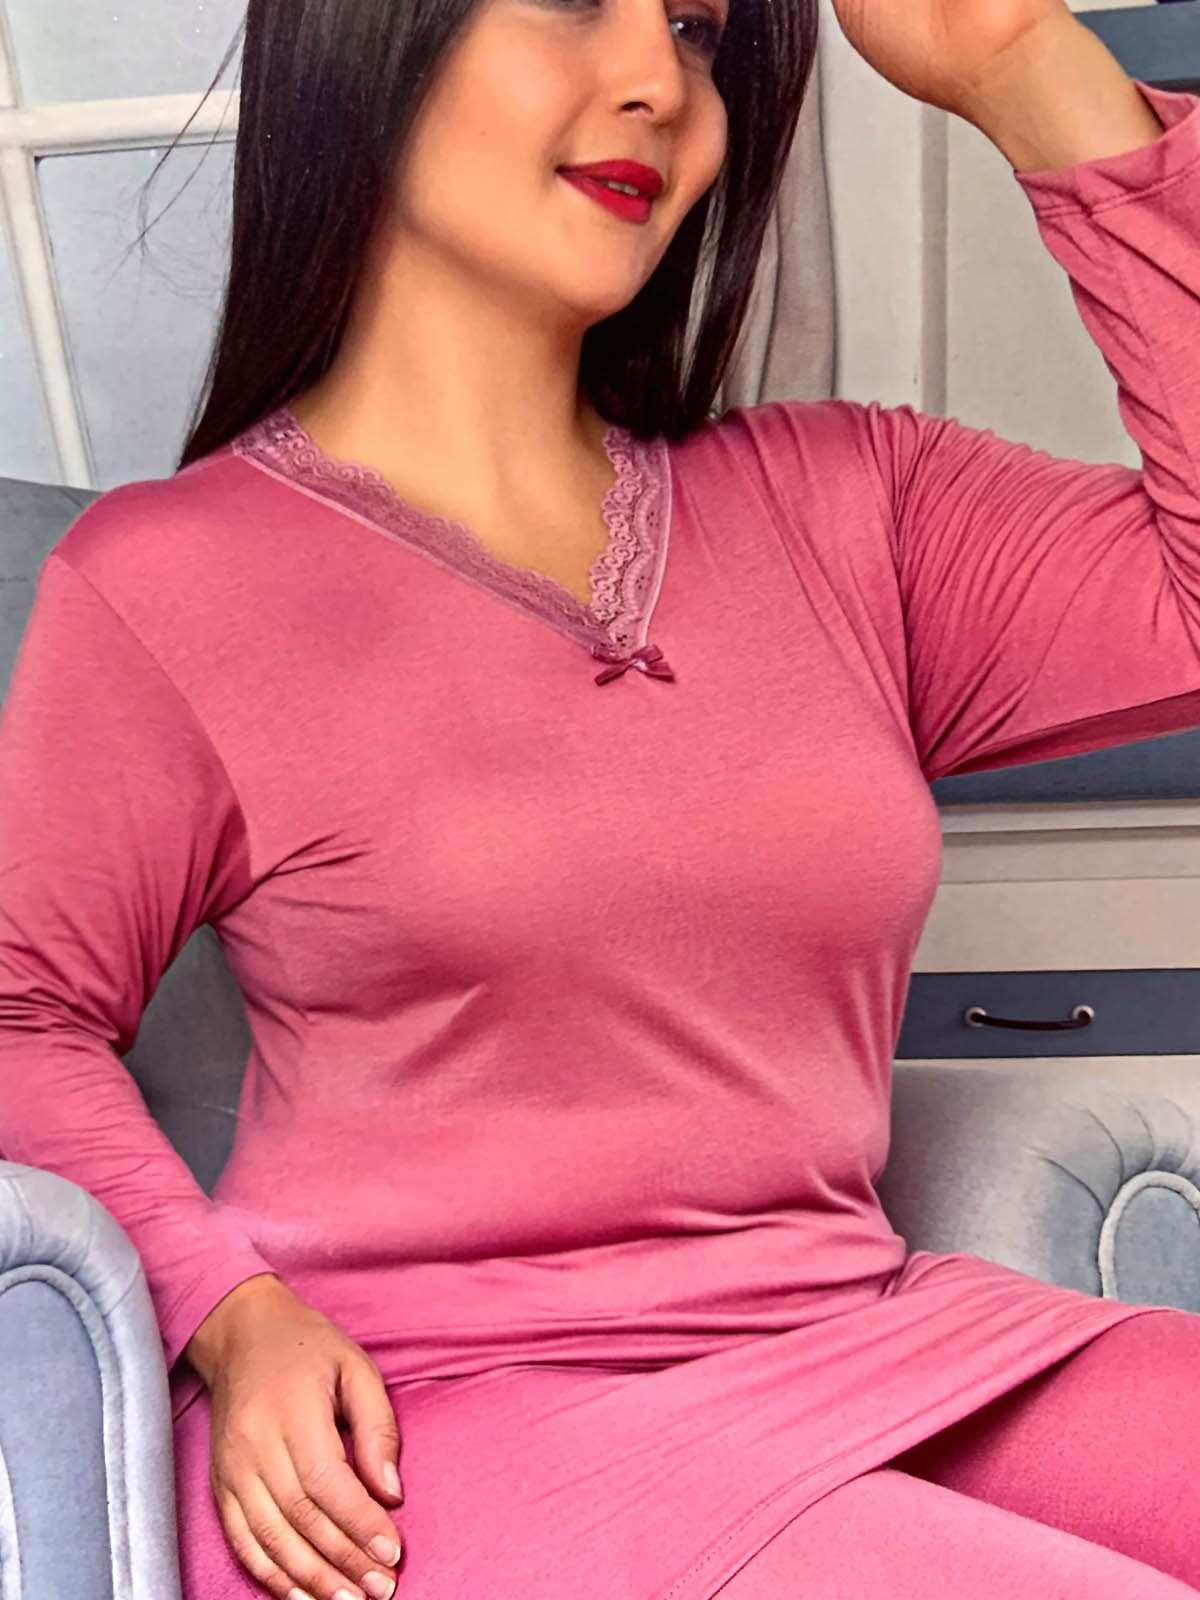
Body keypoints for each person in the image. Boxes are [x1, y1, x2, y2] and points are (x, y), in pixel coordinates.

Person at [3, 0, 1200, 1593]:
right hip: (418, 1417)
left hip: (858, 1337)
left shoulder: (853, 505)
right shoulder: (168, 582)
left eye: (698, 32)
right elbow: (17, 1013)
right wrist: (225, 1312)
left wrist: (1024, 69)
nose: (655, 82)